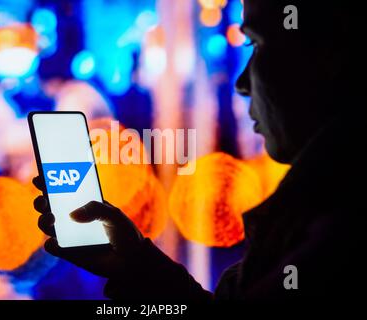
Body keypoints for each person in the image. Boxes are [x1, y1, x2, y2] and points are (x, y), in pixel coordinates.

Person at [33, 0, 366, 301]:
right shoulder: (309, 210)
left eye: (256, 43)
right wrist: (134, 263)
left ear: (329, 54)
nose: (242, 83)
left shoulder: (333, 230)